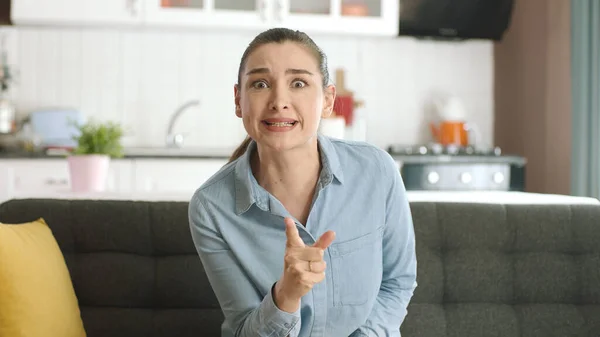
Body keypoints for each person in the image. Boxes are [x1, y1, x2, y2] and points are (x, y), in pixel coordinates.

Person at [188, 27, 417, 337]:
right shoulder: (211, 208)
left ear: (327, 100)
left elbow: (397, 282)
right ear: (239, 100)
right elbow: (244, 330)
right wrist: (286, 296)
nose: (279, 101)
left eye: (298, 83)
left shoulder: (377, 171)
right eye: (260, 84)